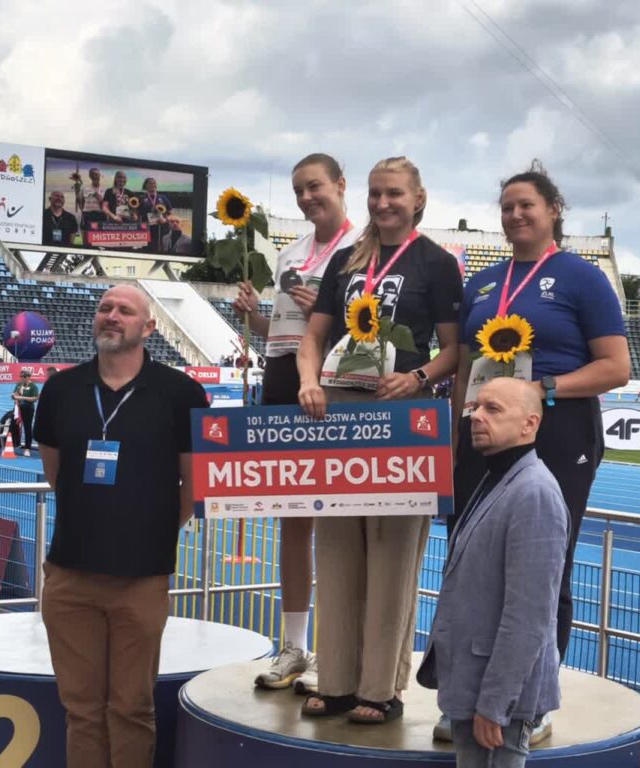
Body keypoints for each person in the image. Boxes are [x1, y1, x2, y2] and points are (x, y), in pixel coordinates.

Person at [445, 161, 629, 742]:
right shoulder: (481, 283)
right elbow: (463, 369)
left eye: (526, 204)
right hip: (482, 430)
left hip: (557, 429)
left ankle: (532, 701)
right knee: (469, 559)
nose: (515, 214)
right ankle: (465, 696)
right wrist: (457, 431)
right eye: (507, 207)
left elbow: (616, 367)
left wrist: (543, 389)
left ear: (554, 210)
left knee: (546, 562)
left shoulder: (582, 278)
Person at [296, 156, 462, 724]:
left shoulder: (437, 263)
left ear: (418, 199)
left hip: (403, 420)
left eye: (394, 193)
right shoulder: (346, 260)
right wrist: (308, 381)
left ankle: (380, 689)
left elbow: (455, 349)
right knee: (336, 551)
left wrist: (419, 377)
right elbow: (314, 337)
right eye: (374, 193)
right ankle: (337, 681)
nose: (383, 203)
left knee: (392, 555)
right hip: (340, 415)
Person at [34, 284, 208, 766]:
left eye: (125, 310)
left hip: (141, 579)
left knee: (131, 708)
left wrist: (147, 532)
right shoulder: (60, 390)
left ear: (148, 327)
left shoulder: (181, 393)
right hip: (70, 577)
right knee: (82, 711)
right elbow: (56, 475)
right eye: (105, 308)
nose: (112, 315)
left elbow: (192, 487)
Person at [233, 153, 361, 695]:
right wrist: (254, 316)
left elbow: (364, 335)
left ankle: (336, 649)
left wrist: (322, 315)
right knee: (293, 520)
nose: (307, 198)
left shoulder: (363, 251)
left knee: (339, 523)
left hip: (333, 381)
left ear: (340, 185)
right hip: (282, 378)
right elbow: (280, 333)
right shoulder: (290, 252)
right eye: (299, 191)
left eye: (315, 187)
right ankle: (293, 645)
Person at [417, 378, 567, 767]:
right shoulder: (496, 478)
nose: (476, 417)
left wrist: (496, 703)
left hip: (497, 702)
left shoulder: (534, 493)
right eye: (476, 407)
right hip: (474, 685)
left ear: (530, 424)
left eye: (493, 409)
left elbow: (529, 615)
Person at [138, 177, 172, 251]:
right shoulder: (141, 198)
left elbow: (171, 213)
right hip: (147, 229)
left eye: (154, 183)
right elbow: (136, 213)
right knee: (147, 250)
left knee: (162, 248)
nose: (153, 185)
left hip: (162, 228)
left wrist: (165, 220)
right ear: (145, 185)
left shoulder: (163, 198)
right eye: (150, 183)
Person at [10, 369, 39, 455]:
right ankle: (14, 444)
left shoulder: (33, 386)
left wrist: (22, 398)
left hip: (28, 409)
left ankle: (27, 448)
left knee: (27, 428)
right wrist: (14, 395)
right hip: (18, 409)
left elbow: (35, 398)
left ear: (28, 377)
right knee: (13, 425)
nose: (21, 378)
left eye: (23, 377)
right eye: (21, 376)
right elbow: (14, 395)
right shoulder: (19, 385)